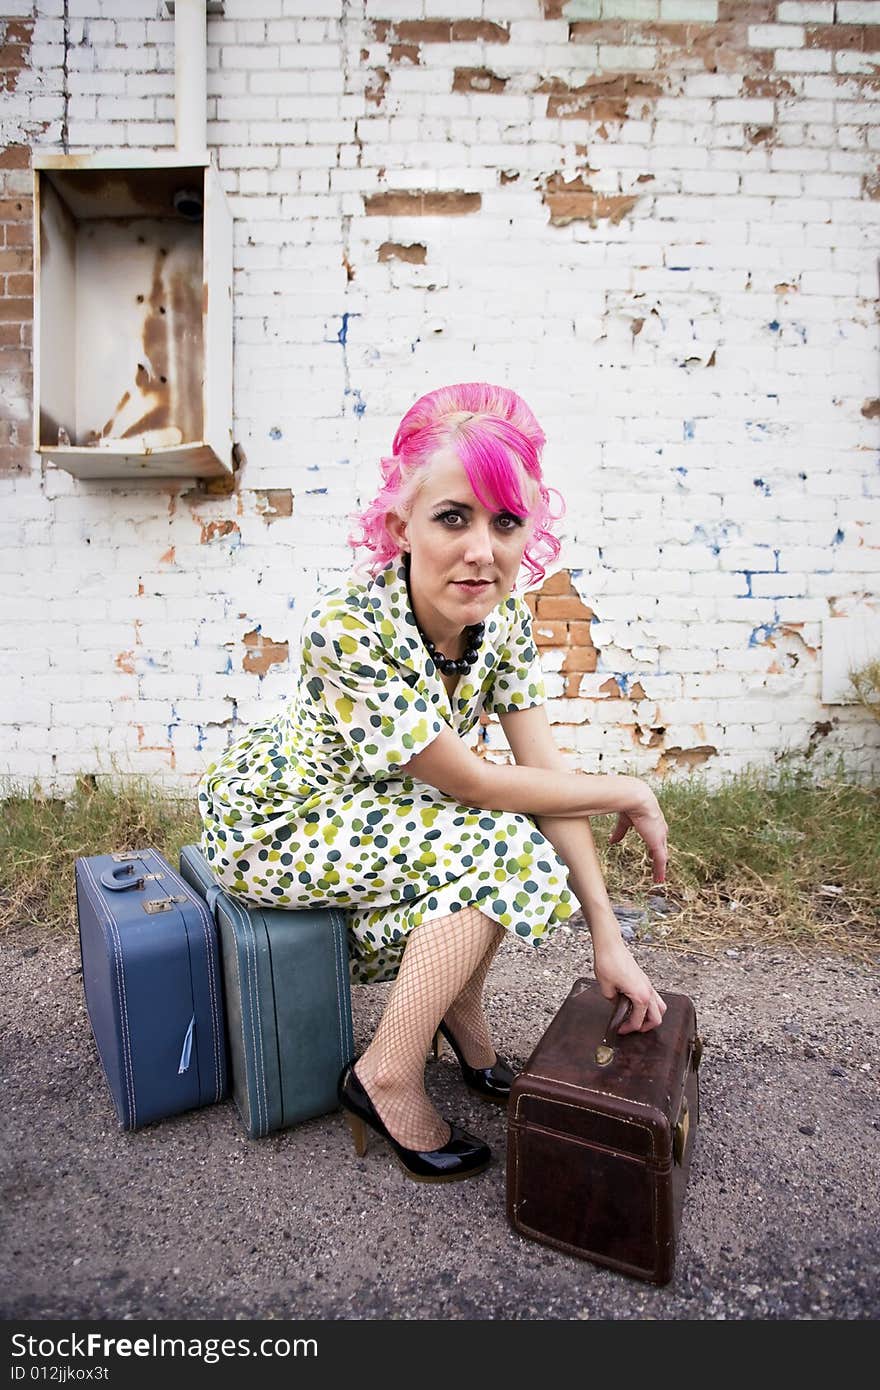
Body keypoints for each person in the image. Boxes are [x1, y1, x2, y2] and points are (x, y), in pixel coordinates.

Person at [198, 382, 668, 1184]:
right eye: (454, 517)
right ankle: (382, 1074)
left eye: (506, 522)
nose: (481, 549)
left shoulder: (504, 620)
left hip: (376, 806)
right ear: (400, 526)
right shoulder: (346, 628)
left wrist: (608, 938)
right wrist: (626, 788)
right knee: (500, 844)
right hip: (280, 820)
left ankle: (459, 1011)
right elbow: (486, 787)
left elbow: (539, 772)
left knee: (508, 838)